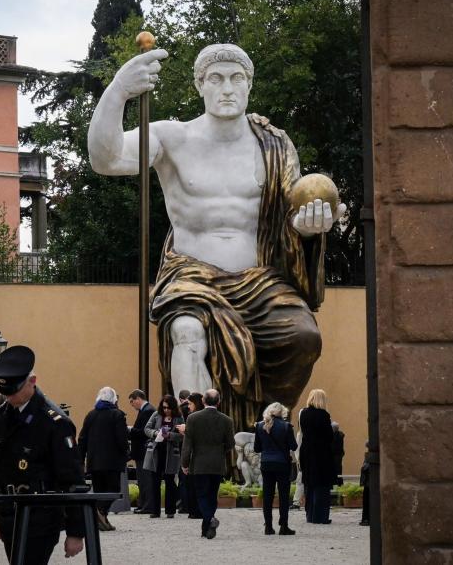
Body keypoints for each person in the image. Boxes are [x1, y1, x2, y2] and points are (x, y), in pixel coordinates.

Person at [88, 44, 345, 431]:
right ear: (200, 85)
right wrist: (119, 90)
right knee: (187, 332)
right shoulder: (173, 138)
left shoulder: (275, 145)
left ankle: (264, 431)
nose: (227, 88)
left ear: (249, 86)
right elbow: (105, 159)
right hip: (191, 278)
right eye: (216, 78)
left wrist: (309, 228)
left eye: (236, 78)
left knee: (304, 337)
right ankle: (201, 442)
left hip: (259, 282)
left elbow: (290, 219)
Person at [0, 346, 85, 564]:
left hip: (41, 515)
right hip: (11, 514)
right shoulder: (3, 417)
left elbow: (72, 477)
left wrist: (76, 531)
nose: (9, 397)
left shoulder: (54, 422)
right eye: (6, 393)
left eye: (14, 391)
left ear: (32, 381)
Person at [181, 389, 235, 539]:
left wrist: (185, 463)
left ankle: (210, 520)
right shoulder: (227, 420)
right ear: (219, 402)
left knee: (202, 495)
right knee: (212, 496)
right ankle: (207, 529)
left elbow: (187, 445)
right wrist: (219, 451)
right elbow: (231, 444)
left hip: (199, 463)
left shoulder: (192, 418)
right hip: (217, 464)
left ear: (203, 401)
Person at [78, 386, 129, 531]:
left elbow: (82, 439)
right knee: (113, 490)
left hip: (94, 462)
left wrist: (80, 459)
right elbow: (122, 438)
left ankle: (102, 520)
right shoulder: (117, 415)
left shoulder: (91, 415)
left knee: (100, 491)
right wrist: (126, 452)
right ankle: (99, 511)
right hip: (112, 462)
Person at [254, 402, 298, 536]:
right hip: (282, 464)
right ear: (282, 413)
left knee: (268, 495)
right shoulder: (286, 426)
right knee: (284, 496)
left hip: (266, 464)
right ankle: (283, 526)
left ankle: (268, 526)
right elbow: (294, 446)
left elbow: (257, 448)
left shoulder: (260, 426)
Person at [143, 394, 185, 518]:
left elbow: (182, 436)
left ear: (173, 407)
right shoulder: (156, 415)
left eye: (168, 408)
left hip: (171, 454)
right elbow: (146, 429)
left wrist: (170, 436)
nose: (166, 410)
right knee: (154, 482)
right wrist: (156, 433)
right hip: (156, 452)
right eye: (164, 407)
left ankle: (170, 510)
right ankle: (155, 511)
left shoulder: (179, 418)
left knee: (170, 482)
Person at [299, 389, 335, 524]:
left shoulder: (303, 413)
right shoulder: (324, 415)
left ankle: (310, 515)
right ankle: (320, 517)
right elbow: (329, 436)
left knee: (310, 484)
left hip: (307, 451)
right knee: (322, 485)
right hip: (321, 453)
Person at [127, 389, 156, 514]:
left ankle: (147, 506)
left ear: (138, 398)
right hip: (142, 451)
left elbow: (143, 432)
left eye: (132, 402)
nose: (132, 405)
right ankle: (143, 504)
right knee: (142, 480)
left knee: (145, 480)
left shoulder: (148, 410)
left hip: (143, 450)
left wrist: (129, 430)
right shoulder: (145, 410)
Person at [359, 441, 371, 526]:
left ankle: (366, 519)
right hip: (368, 482)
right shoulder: (368, 456)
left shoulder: (368, 456)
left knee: (367, 501)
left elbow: (365, 468)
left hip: (369, 482)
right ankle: (366, 519)